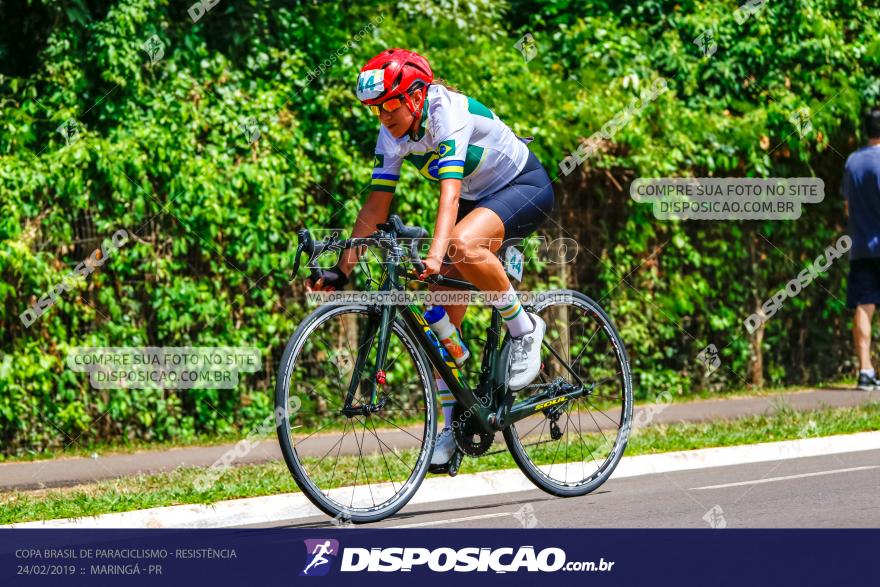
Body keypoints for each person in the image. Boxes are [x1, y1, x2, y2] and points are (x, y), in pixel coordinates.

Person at [306, 48, 555, 465]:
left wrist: (438, 255)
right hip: (480, 201)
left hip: (523, 185)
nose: (383, 116)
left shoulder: (446, 111)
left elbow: (450, 192)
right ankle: (454, 425)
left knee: (460, 244)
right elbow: (375, 205)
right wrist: (341, 270)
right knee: (437, 321)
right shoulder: (391, 132)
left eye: (390, 105)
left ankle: (525, 327)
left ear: (417, 97)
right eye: (376, 109)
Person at [842, 108, 880, 390]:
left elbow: (847, 206)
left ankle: (865, 371)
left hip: (862, 247)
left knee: (864, 305)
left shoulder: (852, 162)